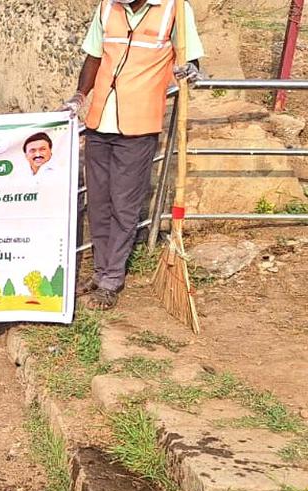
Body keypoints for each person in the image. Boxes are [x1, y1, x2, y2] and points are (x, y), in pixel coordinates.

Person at [62, 0, 203, 309]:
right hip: (100, 120)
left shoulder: (175, 9)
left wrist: (191, 70)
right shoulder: (107, 7)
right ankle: (99, 273)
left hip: (138, 126)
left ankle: (112, 280)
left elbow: (190, 58)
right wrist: (79, 96)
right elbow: (94, 57)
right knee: (98, 203)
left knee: (124, 206)